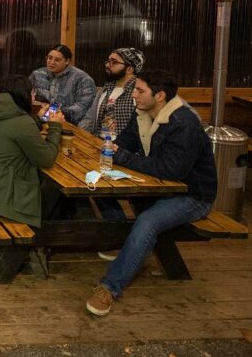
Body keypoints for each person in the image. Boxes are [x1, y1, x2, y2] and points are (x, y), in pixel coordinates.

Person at [85, 69, 217, 317]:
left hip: (192, 195)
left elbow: (172, 169)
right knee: (97, 186)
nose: (133, 94)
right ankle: (120, 241)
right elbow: (124, 142)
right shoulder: (143, 114)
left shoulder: (183, 123)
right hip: (157, 187)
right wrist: (111, 150)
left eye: (139, 91)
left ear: (160, 96)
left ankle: (109, 287)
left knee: (147, 222)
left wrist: (122, 156)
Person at [0, 75, 63, 228]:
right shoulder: (22, 123)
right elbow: (46, 159)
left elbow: (13, 129)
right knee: (55, 189)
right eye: (32, 93)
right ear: (24, 95)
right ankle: (43, 235)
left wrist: (38, 119)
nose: (33, 96)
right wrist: (55, 127)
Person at [80, 48, 144, 135]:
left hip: (122, 146)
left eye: (114, 62)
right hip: (99, 142)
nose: (107, 65)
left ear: (129, 69)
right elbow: (90, 118)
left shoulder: (138, 92)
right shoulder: (105, 89)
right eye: (108, 61)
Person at [29, 44, 96, 125]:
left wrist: (52, 111)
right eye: (49, 58)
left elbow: (83, 107)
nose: (52, 62)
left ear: (67, 61)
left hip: (70, 124)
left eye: (57, 60)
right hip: (38, 120)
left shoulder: (82, 79)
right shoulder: (37, 74)